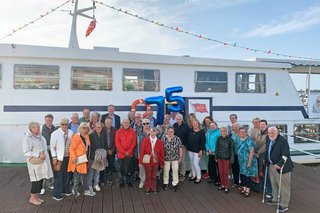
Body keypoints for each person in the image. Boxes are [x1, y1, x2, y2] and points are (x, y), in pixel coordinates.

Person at [22, 121, 53, 205]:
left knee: (40, 179)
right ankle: (32, 198)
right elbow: (26, 152)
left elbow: (44, 148)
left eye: (39, 127)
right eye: (37, 127)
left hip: (42, 162)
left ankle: (36, 196)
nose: (39, 128)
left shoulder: (40, 137)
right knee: (35, 181)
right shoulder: (27, 138)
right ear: (31, 128)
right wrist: (38, 154)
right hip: (35, 163)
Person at [265, 127, 293, 213]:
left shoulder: (282, 141)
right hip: (271, 165)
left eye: (273, 133)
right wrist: (266, 159)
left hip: (281, 166)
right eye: (270, 133)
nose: (271, 134)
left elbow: (286, 154)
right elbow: (268, 150)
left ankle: (284, 204)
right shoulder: (268, 138)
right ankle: (275, 198)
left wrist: (279, 164)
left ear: (277, 132)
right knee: (274, 183)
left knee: (284, 186)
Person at [68, 122, 95, 196]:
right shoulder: (76, 136)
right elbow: (71, 148)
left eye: (86, 128)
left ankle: (85, 190)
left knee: (84, 175)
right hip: (78, 159)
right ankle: (75, 190)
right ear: (80, 128)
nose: (85, 129)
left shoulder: (88, 136)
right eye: (83, 127)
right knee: (77, 175)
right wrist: (73, 157)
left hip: (85, 159)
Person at [50, 118, 73, 201]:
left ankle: (65, 190)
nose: (64, 126)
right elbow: (52, 147)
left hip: (68, 157)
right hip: (59, 158)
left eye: (66, 124)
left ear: (68, 124)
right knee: (58, 176)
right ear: (60, 124)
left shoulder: (70, 132)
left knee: (67, 175)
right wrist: (54, 157)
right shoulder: (55, 133)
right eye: (62, 124)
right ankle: (56, 194)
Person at [139, 127, 164, 194]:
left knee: (154, 175)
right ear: (149, 132)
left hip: (156, 161)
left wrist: (161, 163)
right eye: (151, 131)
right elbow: (142, 152)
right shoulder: (145, 140)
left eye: (154, 131)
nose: (153, 133)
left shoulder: (159, 141)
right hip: (148, 161)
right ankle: (147, 187)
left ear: (156, 132)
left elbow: (162, 152)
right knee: (148, 175)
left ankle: (154, 187)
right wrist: (140, 162)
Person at [236, 127, 258, 198]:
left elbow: (252, 152)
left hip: (248, 161)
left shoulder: (249, 140)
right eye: (241, 132)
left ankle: (248, 190)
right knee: (243, 175)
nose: (242, 133)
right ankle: (244, 187)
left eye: (243, 132)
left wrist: (249, 162)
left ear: (246, 133)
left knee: (248, 175)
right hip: (241, 161)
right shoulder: (238, 139)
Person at [115, 119, 137, 187]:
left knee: (129, 168)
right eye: (125, 123)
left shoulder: (132, 132)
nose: (126, 124)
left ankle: (128, 180)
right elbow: (117, 143)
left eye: (127, 123)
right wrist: (124, 152)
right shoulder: (118, 132)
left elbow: (134, 143)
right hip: (121, 154)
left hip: (129, 154)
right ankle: (121, 181)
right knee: (121, 168)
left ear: (129, 124)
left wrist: (129, 151)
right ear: (122, 123)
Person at [162, 126, 182, 192]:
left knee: (175, 171)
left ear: (173, 131)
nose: (170, 132)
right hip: (166, 157)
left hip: (175, 157)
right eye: (169, 131)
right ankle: (165, 183)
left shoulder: (177, 138)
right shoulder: (163, 138)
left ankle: (175, 183)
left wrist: (180, 156)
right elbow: (161, 148)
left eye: (172, 131)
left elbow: (180, 147)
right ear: (167, 131)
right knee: (166, 171)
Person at [41, 114, 57, 194]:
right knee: (45, 169)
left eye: (50, 120)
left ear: (52, 120)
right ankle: (42, 187)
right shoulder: (41, 130)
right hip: (45, 152)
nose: (49, 122)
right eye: (47, 120)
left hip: (53, 152)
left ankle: (51, 183)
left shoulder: (55, 129)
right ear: (44, 120)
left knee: (53, 168)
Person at [88, 122, 106, 192]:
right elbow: (90, 147)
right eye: (97, 127)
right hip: (93, 156)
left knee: (97, 171)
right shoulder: (91, 135)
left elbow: (104, 145)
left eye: (100, 127)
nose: (99, 128)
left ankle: (96, 184)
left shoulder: (103, 135)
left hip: (100, 156)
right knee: (91, 172)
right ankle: (89, 185)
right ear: (94, 127)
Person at [215, 127, 234, 193]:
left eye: (224, 131)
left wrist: (231, 159)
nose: (222, 132)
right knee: (220, 172)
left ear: (226, 131)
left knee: (226, 172)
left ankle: (226, 186)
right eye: (221, 131)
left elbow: (232, 150)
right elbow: (216, 148)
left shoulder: (230, 139)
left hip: (226, 158)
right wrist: (216, 157)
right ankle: (222, 185)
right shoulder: (218, 138)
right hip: (219, 157)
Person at [256, 119, 272, 197]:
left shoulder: (268, 134)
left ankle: (269, 191)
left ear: (266, 125)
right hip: (258, 155)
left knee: (266, 173)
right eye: (261, 124)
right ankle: (262, 187)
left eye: (263, 124)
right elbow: (256, 144)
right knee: (260, 171)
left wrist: (259, 153)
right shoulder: (258, 133)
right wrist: (256, 152)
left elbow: (267, 146)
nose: (262, 126)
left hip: (264, 156)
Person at [187, 119, 205, 183]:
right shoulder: (190, 130)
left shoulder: (201, 131)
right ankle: (194, 175)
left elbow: (203, 142)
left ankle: (199, 177)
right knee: (192, 163)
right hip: (190, 149)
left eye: (196, 123)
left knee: (195, 163)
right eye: (193, 123)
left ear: (198, 124)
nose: (195, 124)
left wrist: (201, 150)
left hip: (198, 150)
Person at [173, 113, 189, 182]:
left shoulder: (186, 126)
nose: (178, 120)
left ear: (182, 119)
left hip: (182, 146)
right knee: (176, 160)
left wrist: (187, 145)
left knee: (182, 160)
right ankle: (176, 173)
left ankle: (182, 174)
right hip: (175, 145)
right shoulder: (174, 125)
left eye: (179, 119)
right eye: (177, 119)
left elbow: (188, 136)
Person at [136, 118, 150, 188]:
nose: (146, 125)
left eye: (147, 123)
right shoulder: (139, 132)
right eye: (144, 123)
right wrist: (138, 154)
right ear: (142, 124)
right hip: (141, 153)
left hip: (150, 154)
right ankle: (142, 181)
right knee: (141, 167)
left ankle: (149, 181)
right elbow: (137, 144)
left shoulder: (152, 132)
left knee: (149, 168)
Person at [102, 117, 116, 185]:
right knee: (103, 165)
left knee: (110, 165)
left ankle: (109, 178)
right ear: (105, 122)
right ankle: (102, 179)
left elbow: (116, 142)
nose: (109, 124)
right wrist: (106, 150)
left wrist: (112, 150)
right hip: (104, 151)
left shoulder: (114, 130)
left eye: (110, 122)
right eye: (107, 122)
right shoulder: (101, 129)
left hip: (112, 151)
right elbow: (101, 141)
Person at [202, 116, 213, 180]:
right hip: (206, 147)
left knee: (213, 161)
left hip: (213, 148)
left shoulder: (214, 127)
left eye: (208, 120)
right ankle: (208, 172)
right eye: (206, 121)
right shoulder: (204, 128)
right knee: (207, 160)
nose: (207, 122)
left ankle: (213, 173)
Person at [230, 123, 241, 188]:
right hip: (234, 155)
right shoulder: (231, 135)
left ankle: (243, 183)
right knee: (234, 169)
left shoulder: (242, 134)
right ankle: (236, 182)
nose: (235, 128)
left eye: (236, 127)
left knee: (241, 169)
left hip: (241, 155)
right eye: (233, 127)